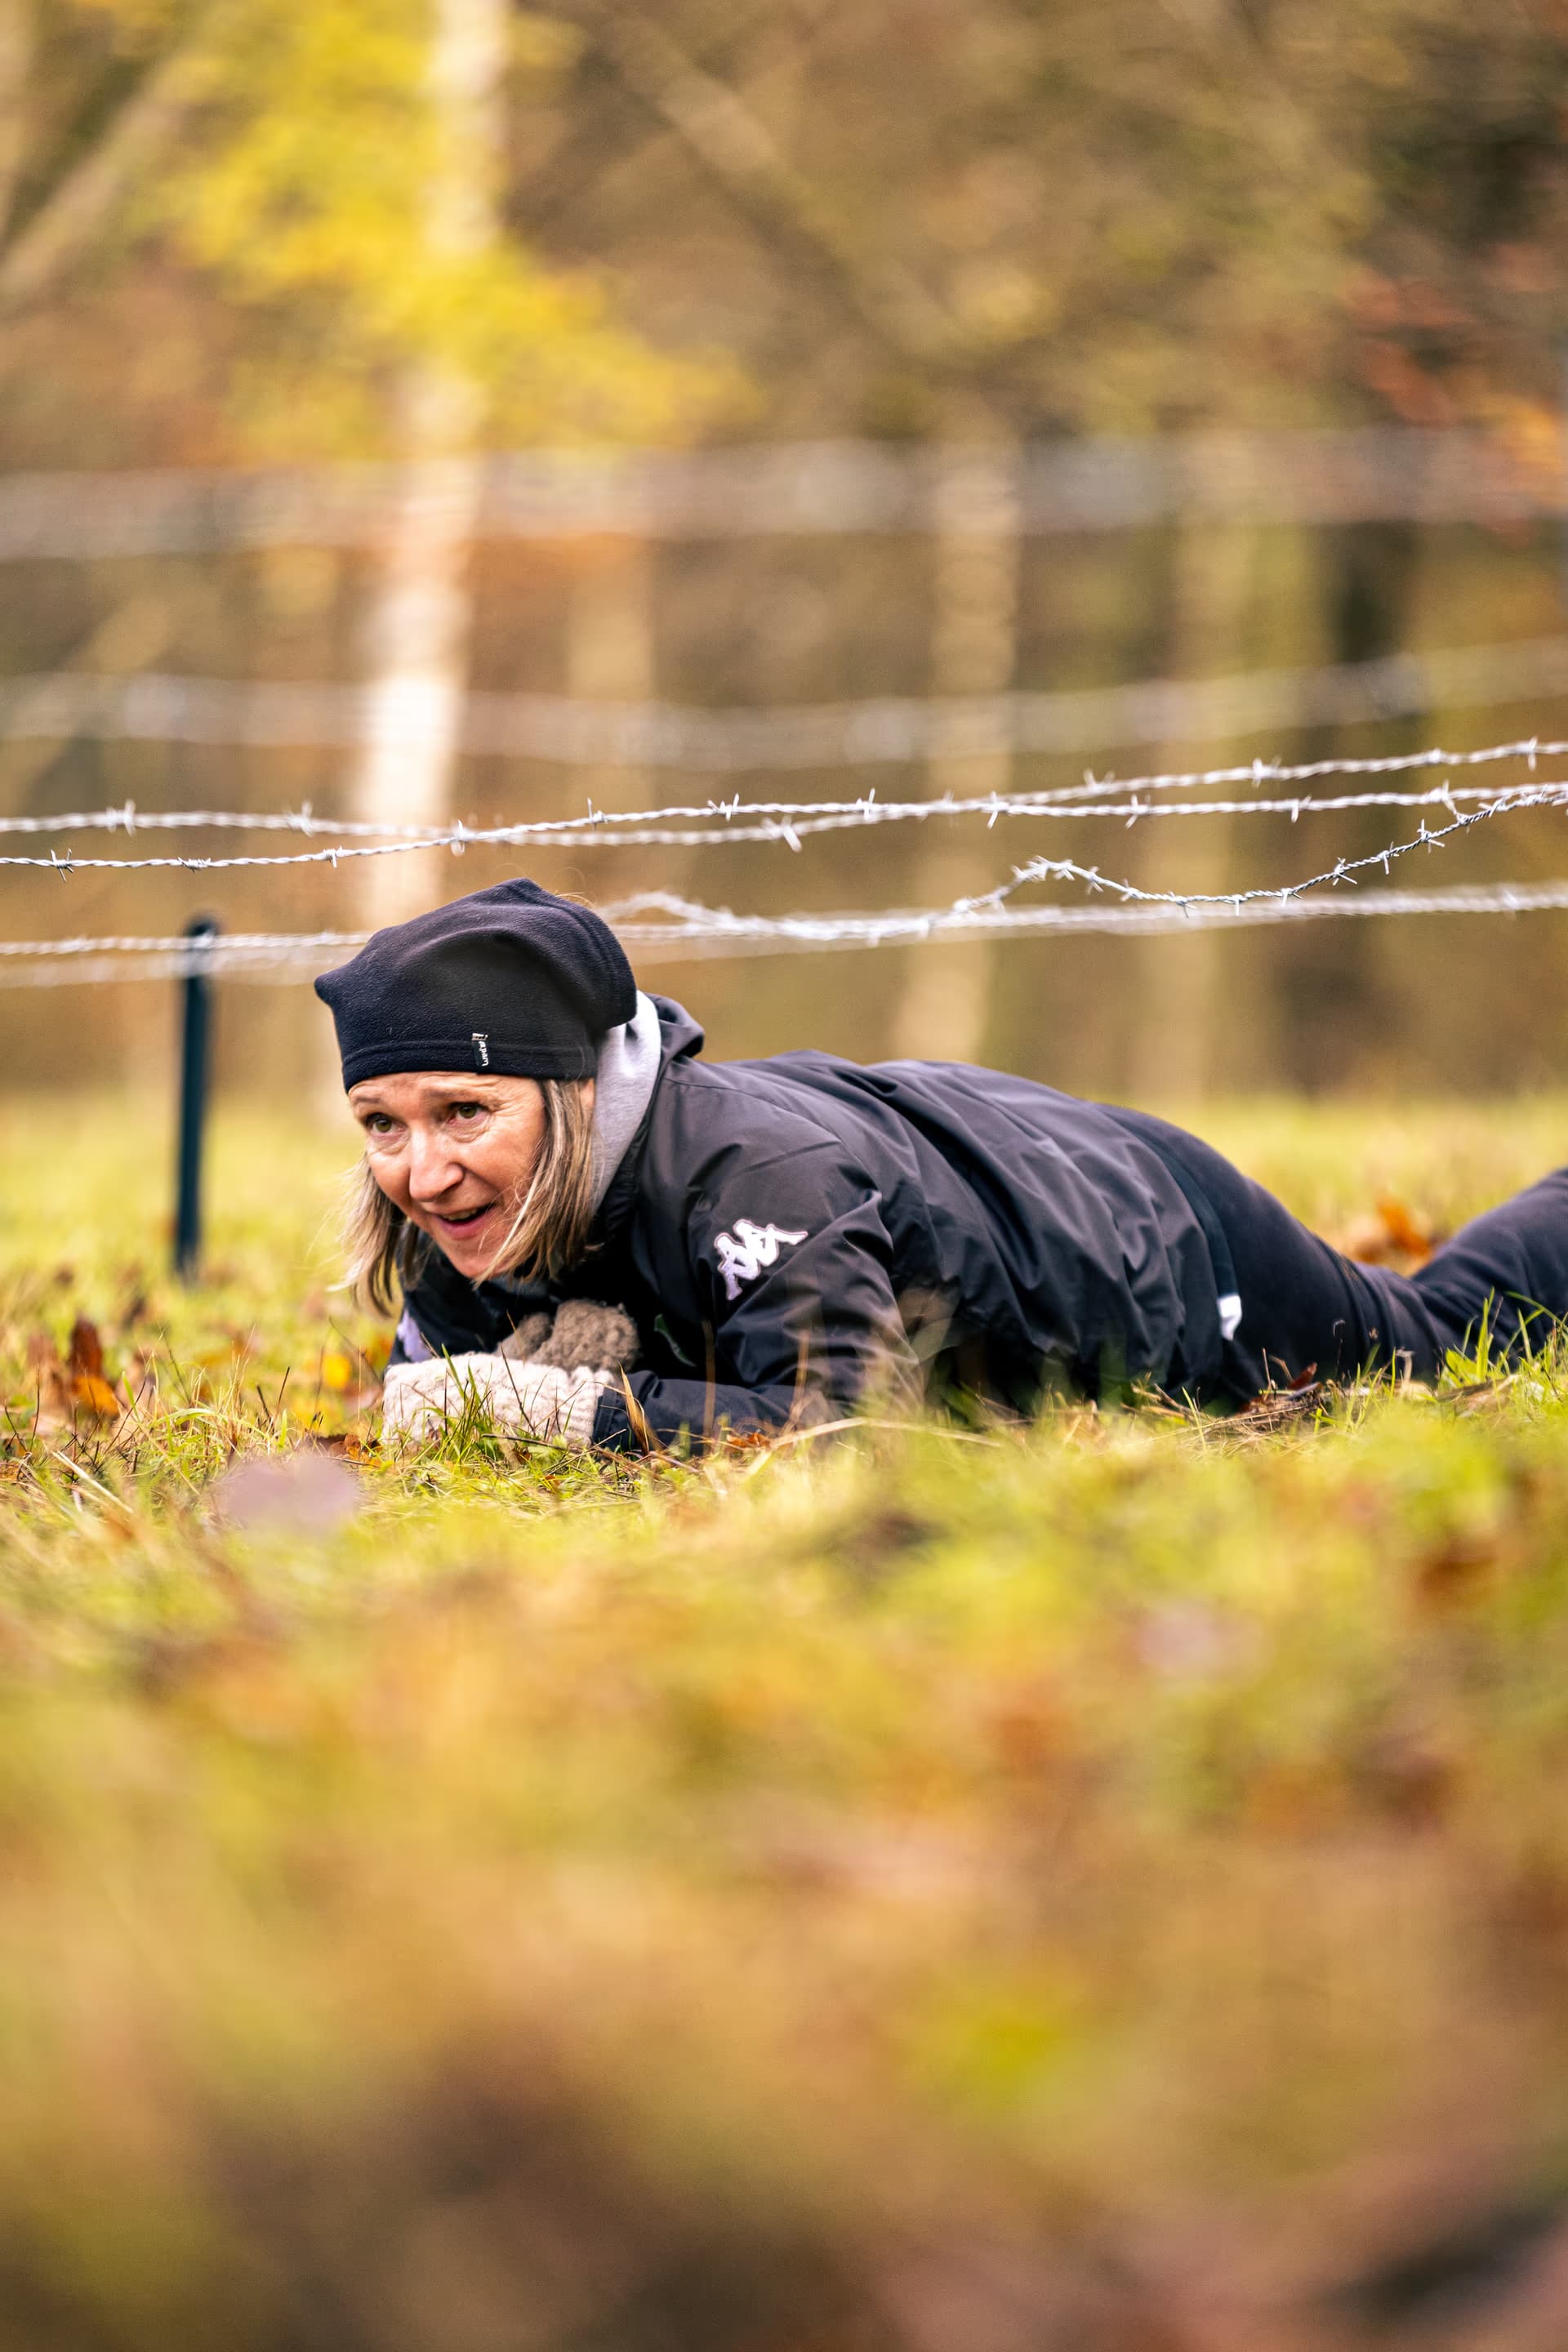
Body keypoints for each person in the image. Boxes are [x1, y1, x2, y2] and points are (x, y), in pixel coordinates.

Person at [313, 877, 1568, 1451]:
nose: (421, 1174)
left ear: (577, 1092)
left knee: (1442, 1332)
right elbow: (434, 1388)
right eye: (383, 1123)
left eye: (464, 1112)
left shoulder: (754, 1181)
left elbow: (851, 1427)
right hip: (974, 1157)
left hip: (1160, 1241)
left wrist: (579, 1410)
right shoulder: (464, 1205)